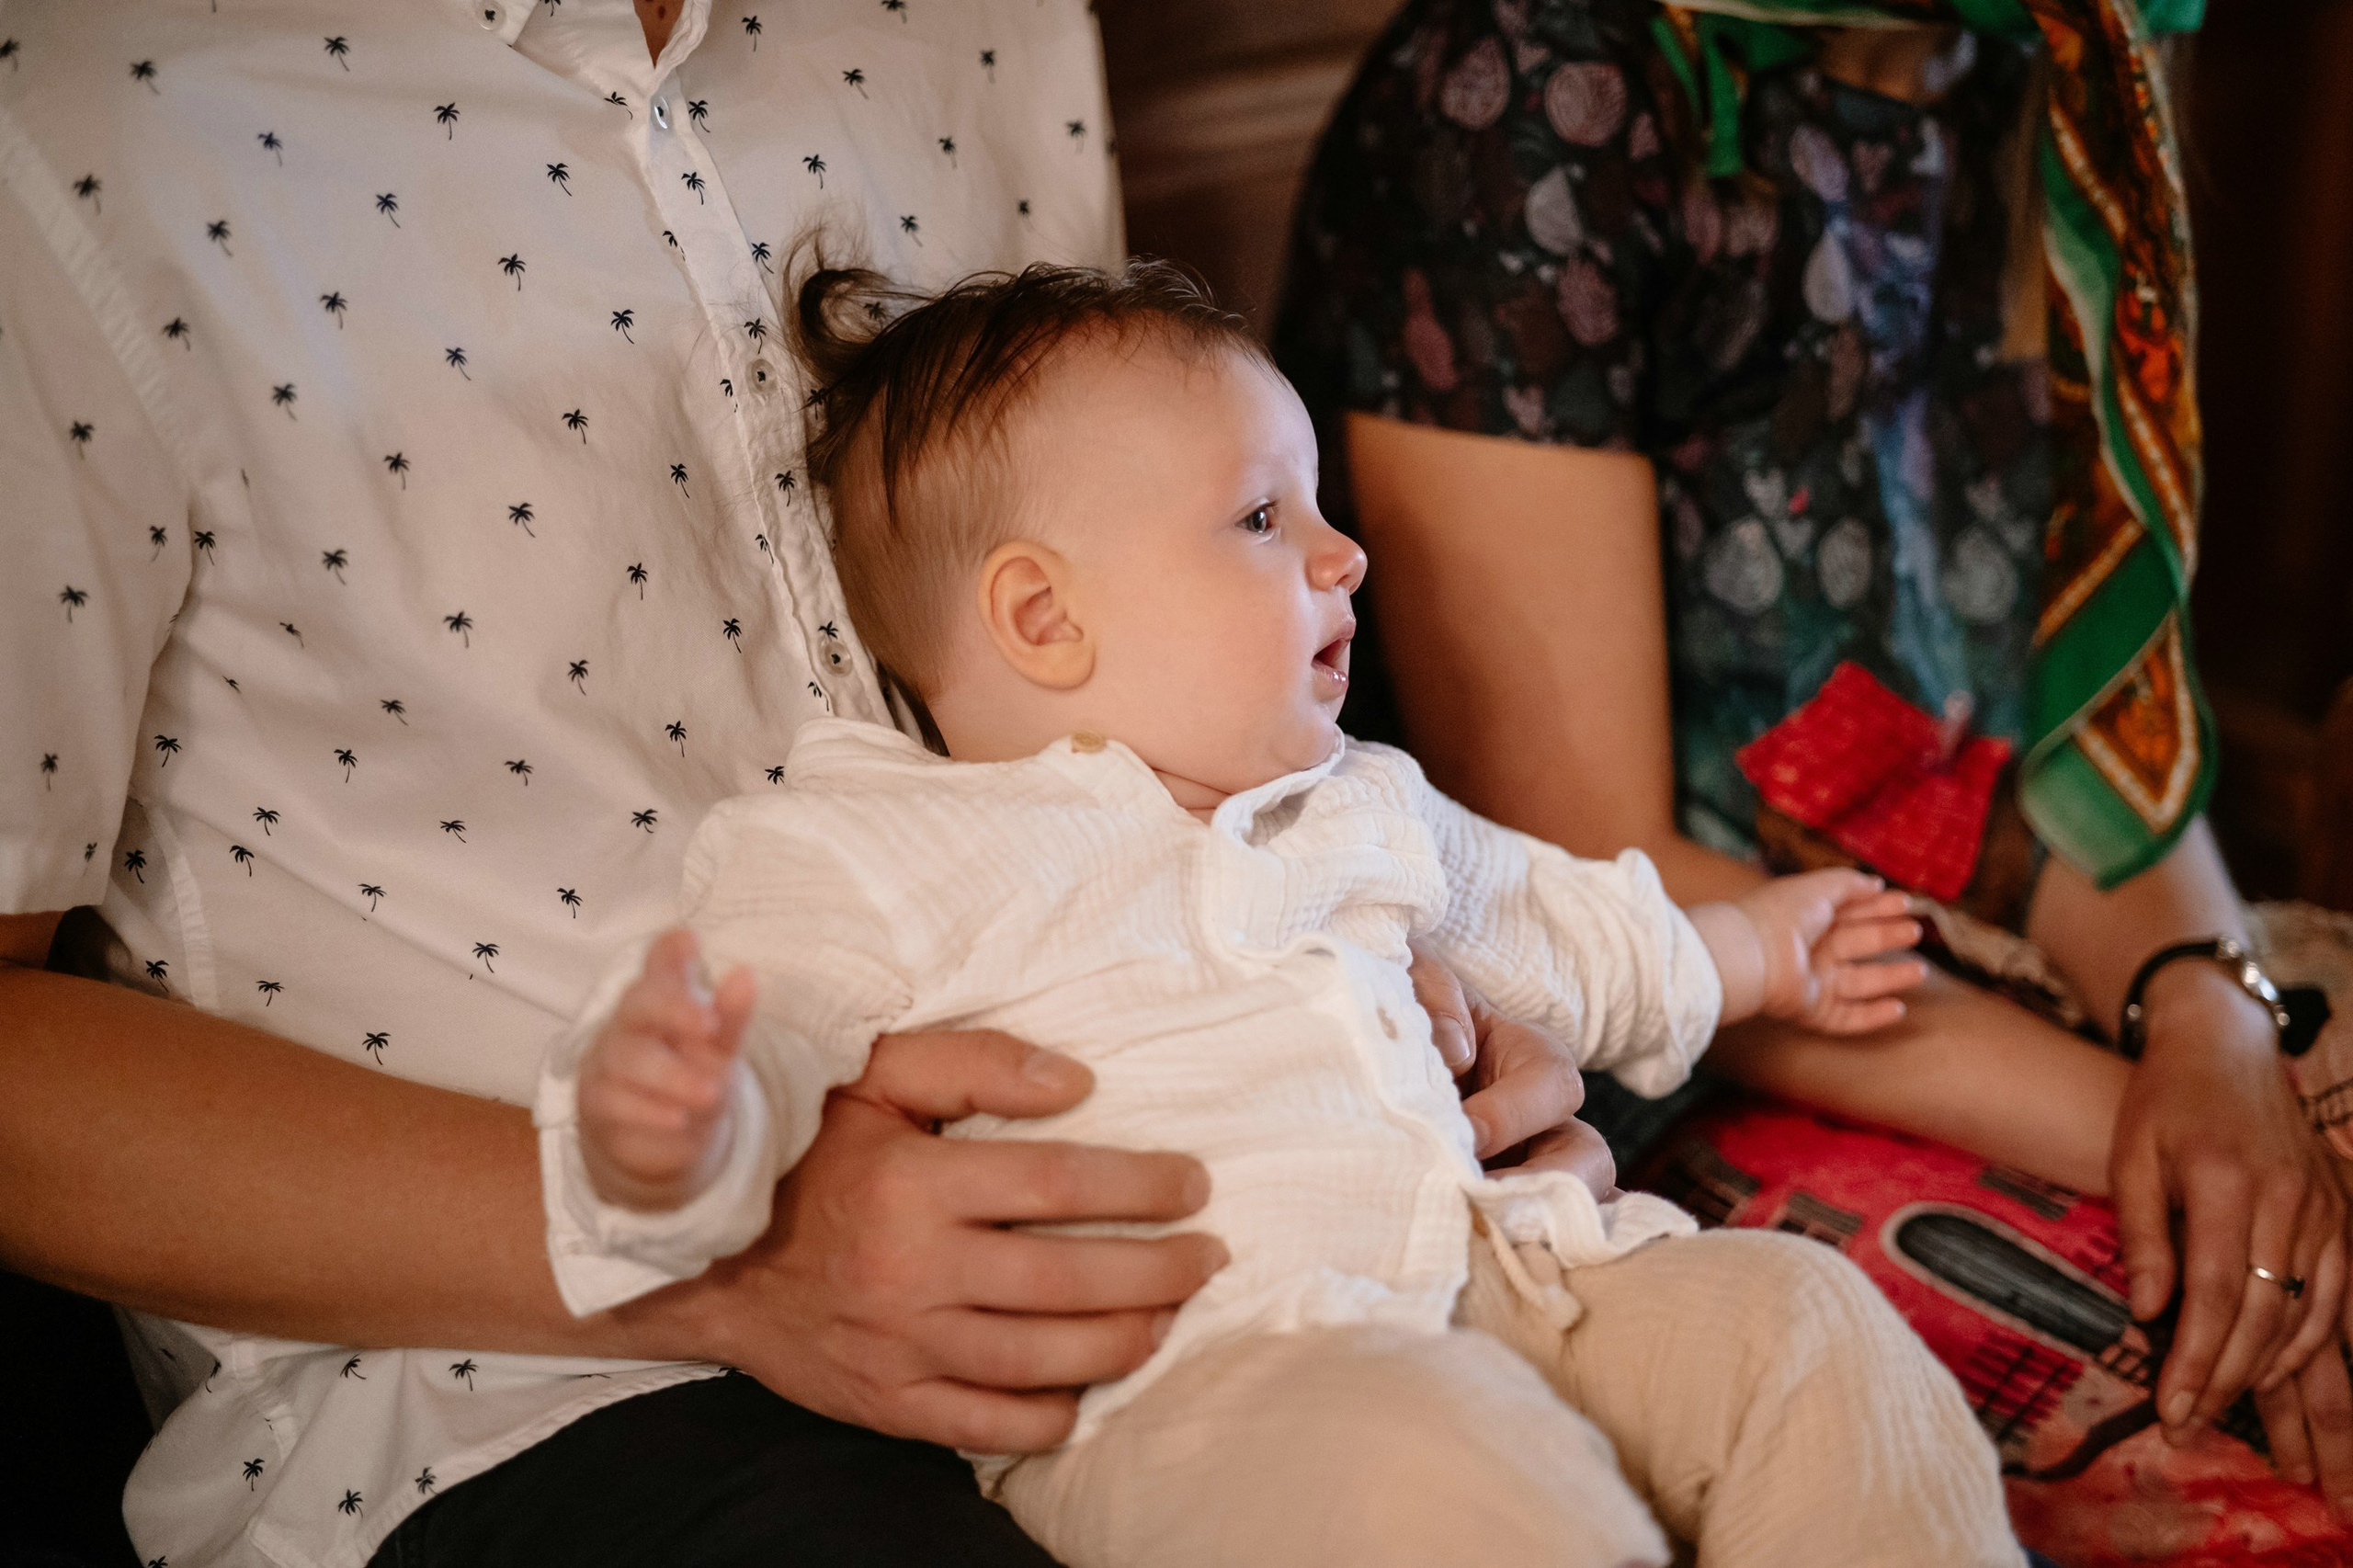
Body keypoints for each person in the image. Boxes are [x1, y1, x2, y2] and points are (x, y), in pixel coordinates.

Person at [0, 5, 1611, 1565]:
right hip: (528, 1396)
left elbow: (1118, 656)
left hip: (1194, 1263)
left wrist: (1376, 1039)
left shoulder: (993, 27)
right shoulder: (74, 119)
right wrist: (725, 1260)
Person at [543, 257, 2024, 1568]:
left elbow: (1551, 925)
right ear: (1043, 618)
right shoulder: (881, 843)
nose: (1342, 550)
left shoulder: (1357, 797)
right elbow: (763, 1044)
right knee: (1441, 1471)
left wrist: (1760, 951)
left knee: (1804, 1324)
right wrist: (669, 1127)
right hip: (1195, 1389)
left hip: (1504, 1276)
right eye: (1264, 514)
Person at [1274, 0, 2353, 1528]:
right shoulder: (1530, 91)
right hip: (1630, 1042)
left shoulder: (2020, 58)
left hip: (1934, 955)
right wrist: (2196, 1145)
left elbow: (2064, 741)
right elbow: (1601, 876)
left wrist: (2216, 1018)